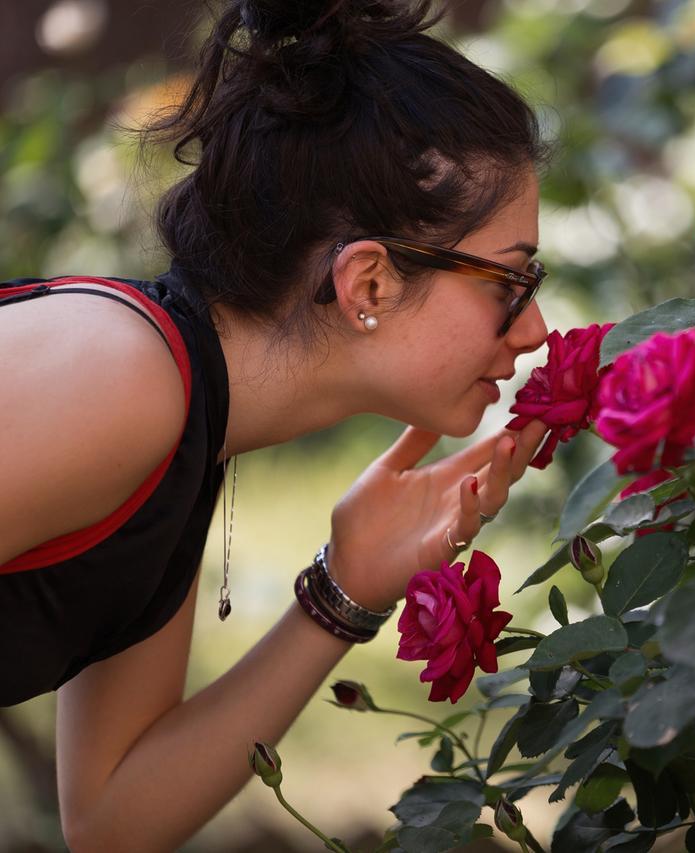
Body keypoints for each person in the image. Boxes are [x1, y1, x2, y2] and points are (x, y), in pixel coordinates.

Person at [0, 0, 554, 848]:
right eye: (510, 282)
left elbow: (113, 818)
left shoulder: (188, 425)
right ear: (368, 282)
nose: (536, 329)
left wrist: (344, 587)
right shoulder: (124, 378)